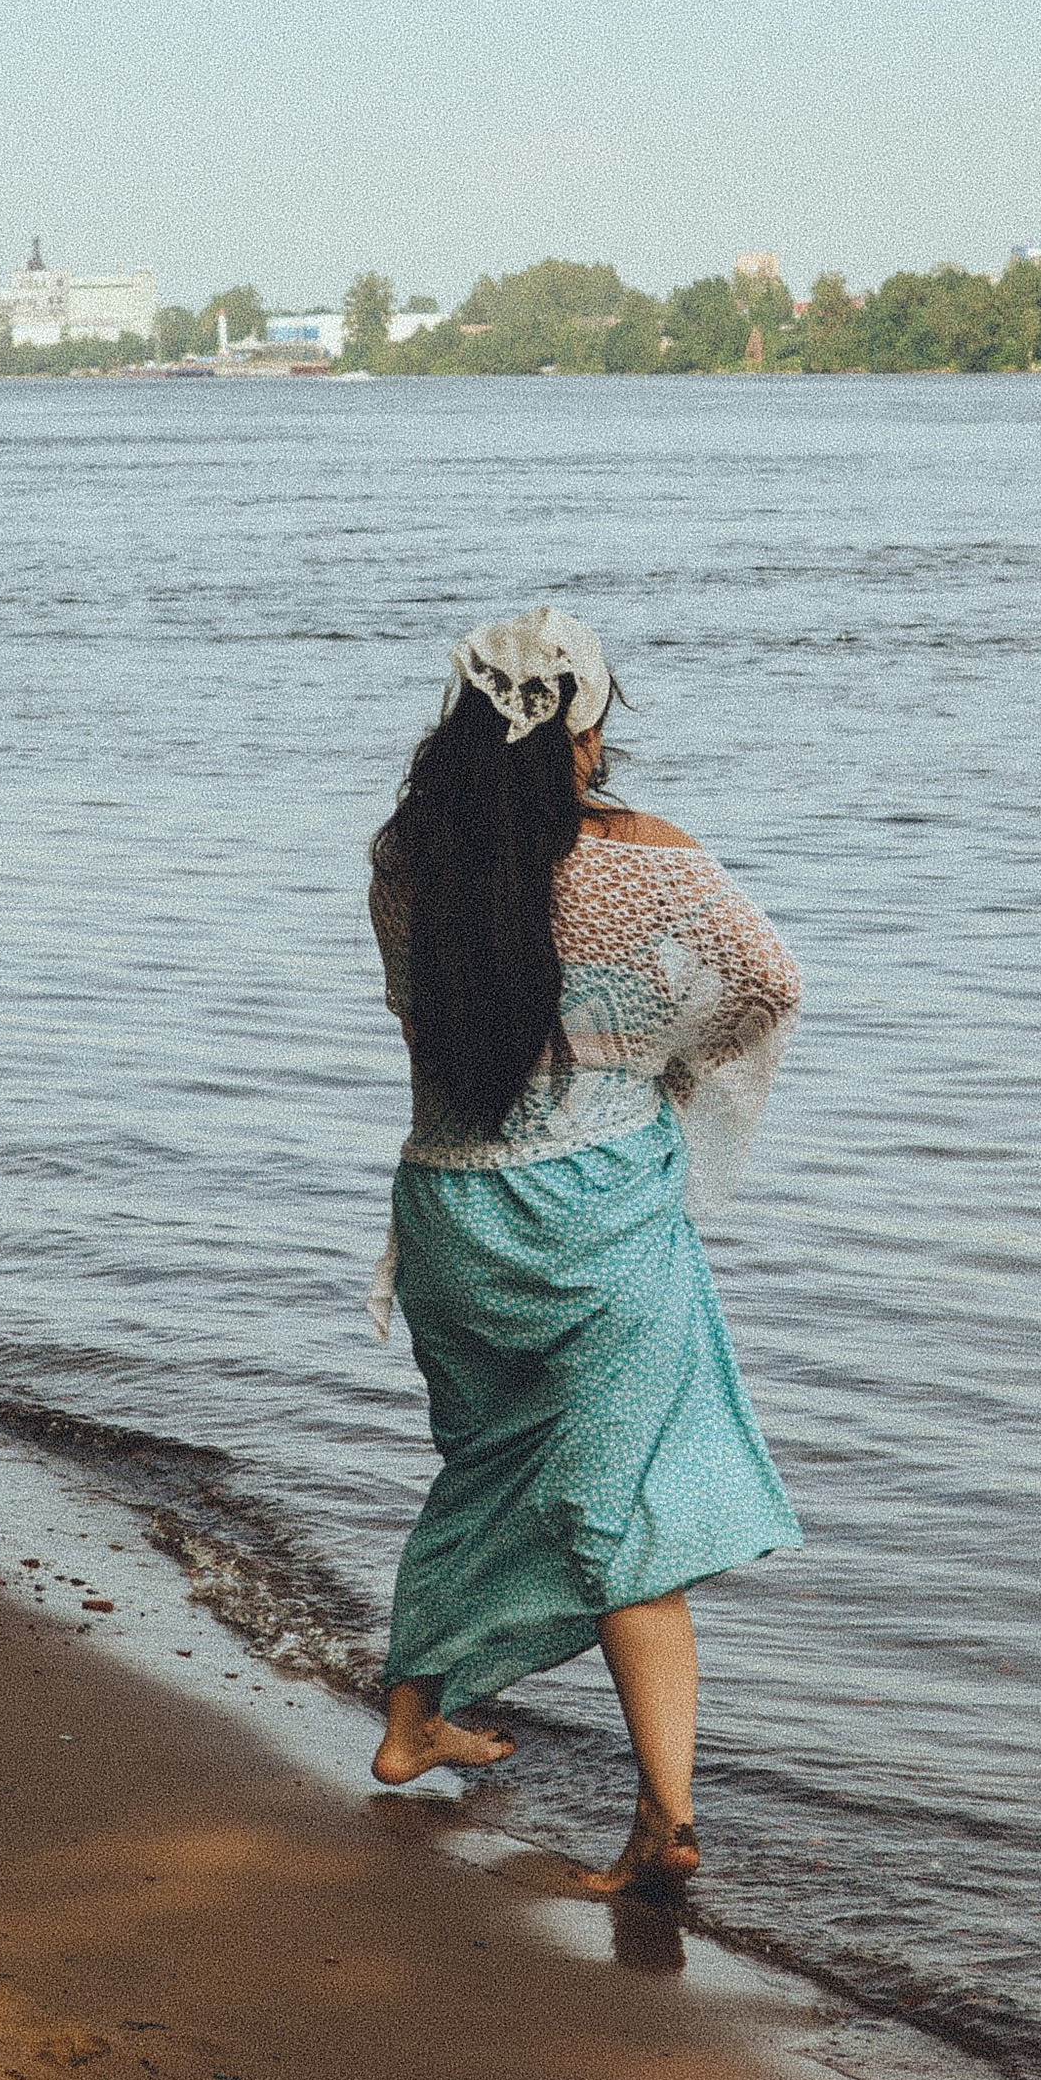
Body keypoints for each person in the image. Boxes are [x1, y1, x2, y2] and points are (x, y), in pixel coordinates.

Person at [365, 604, 803, 1894]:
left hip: (450, 1211)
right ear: (587, 727)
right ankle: (667, 1823)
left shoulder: (402, 857)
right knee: (627, 1524)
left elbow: (431, 1018)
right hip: (596, 1220)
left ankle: (411, 1721)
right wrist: (657, 1062)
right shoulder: (652, 861)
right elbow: (771, 985)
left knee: (484, 1461)